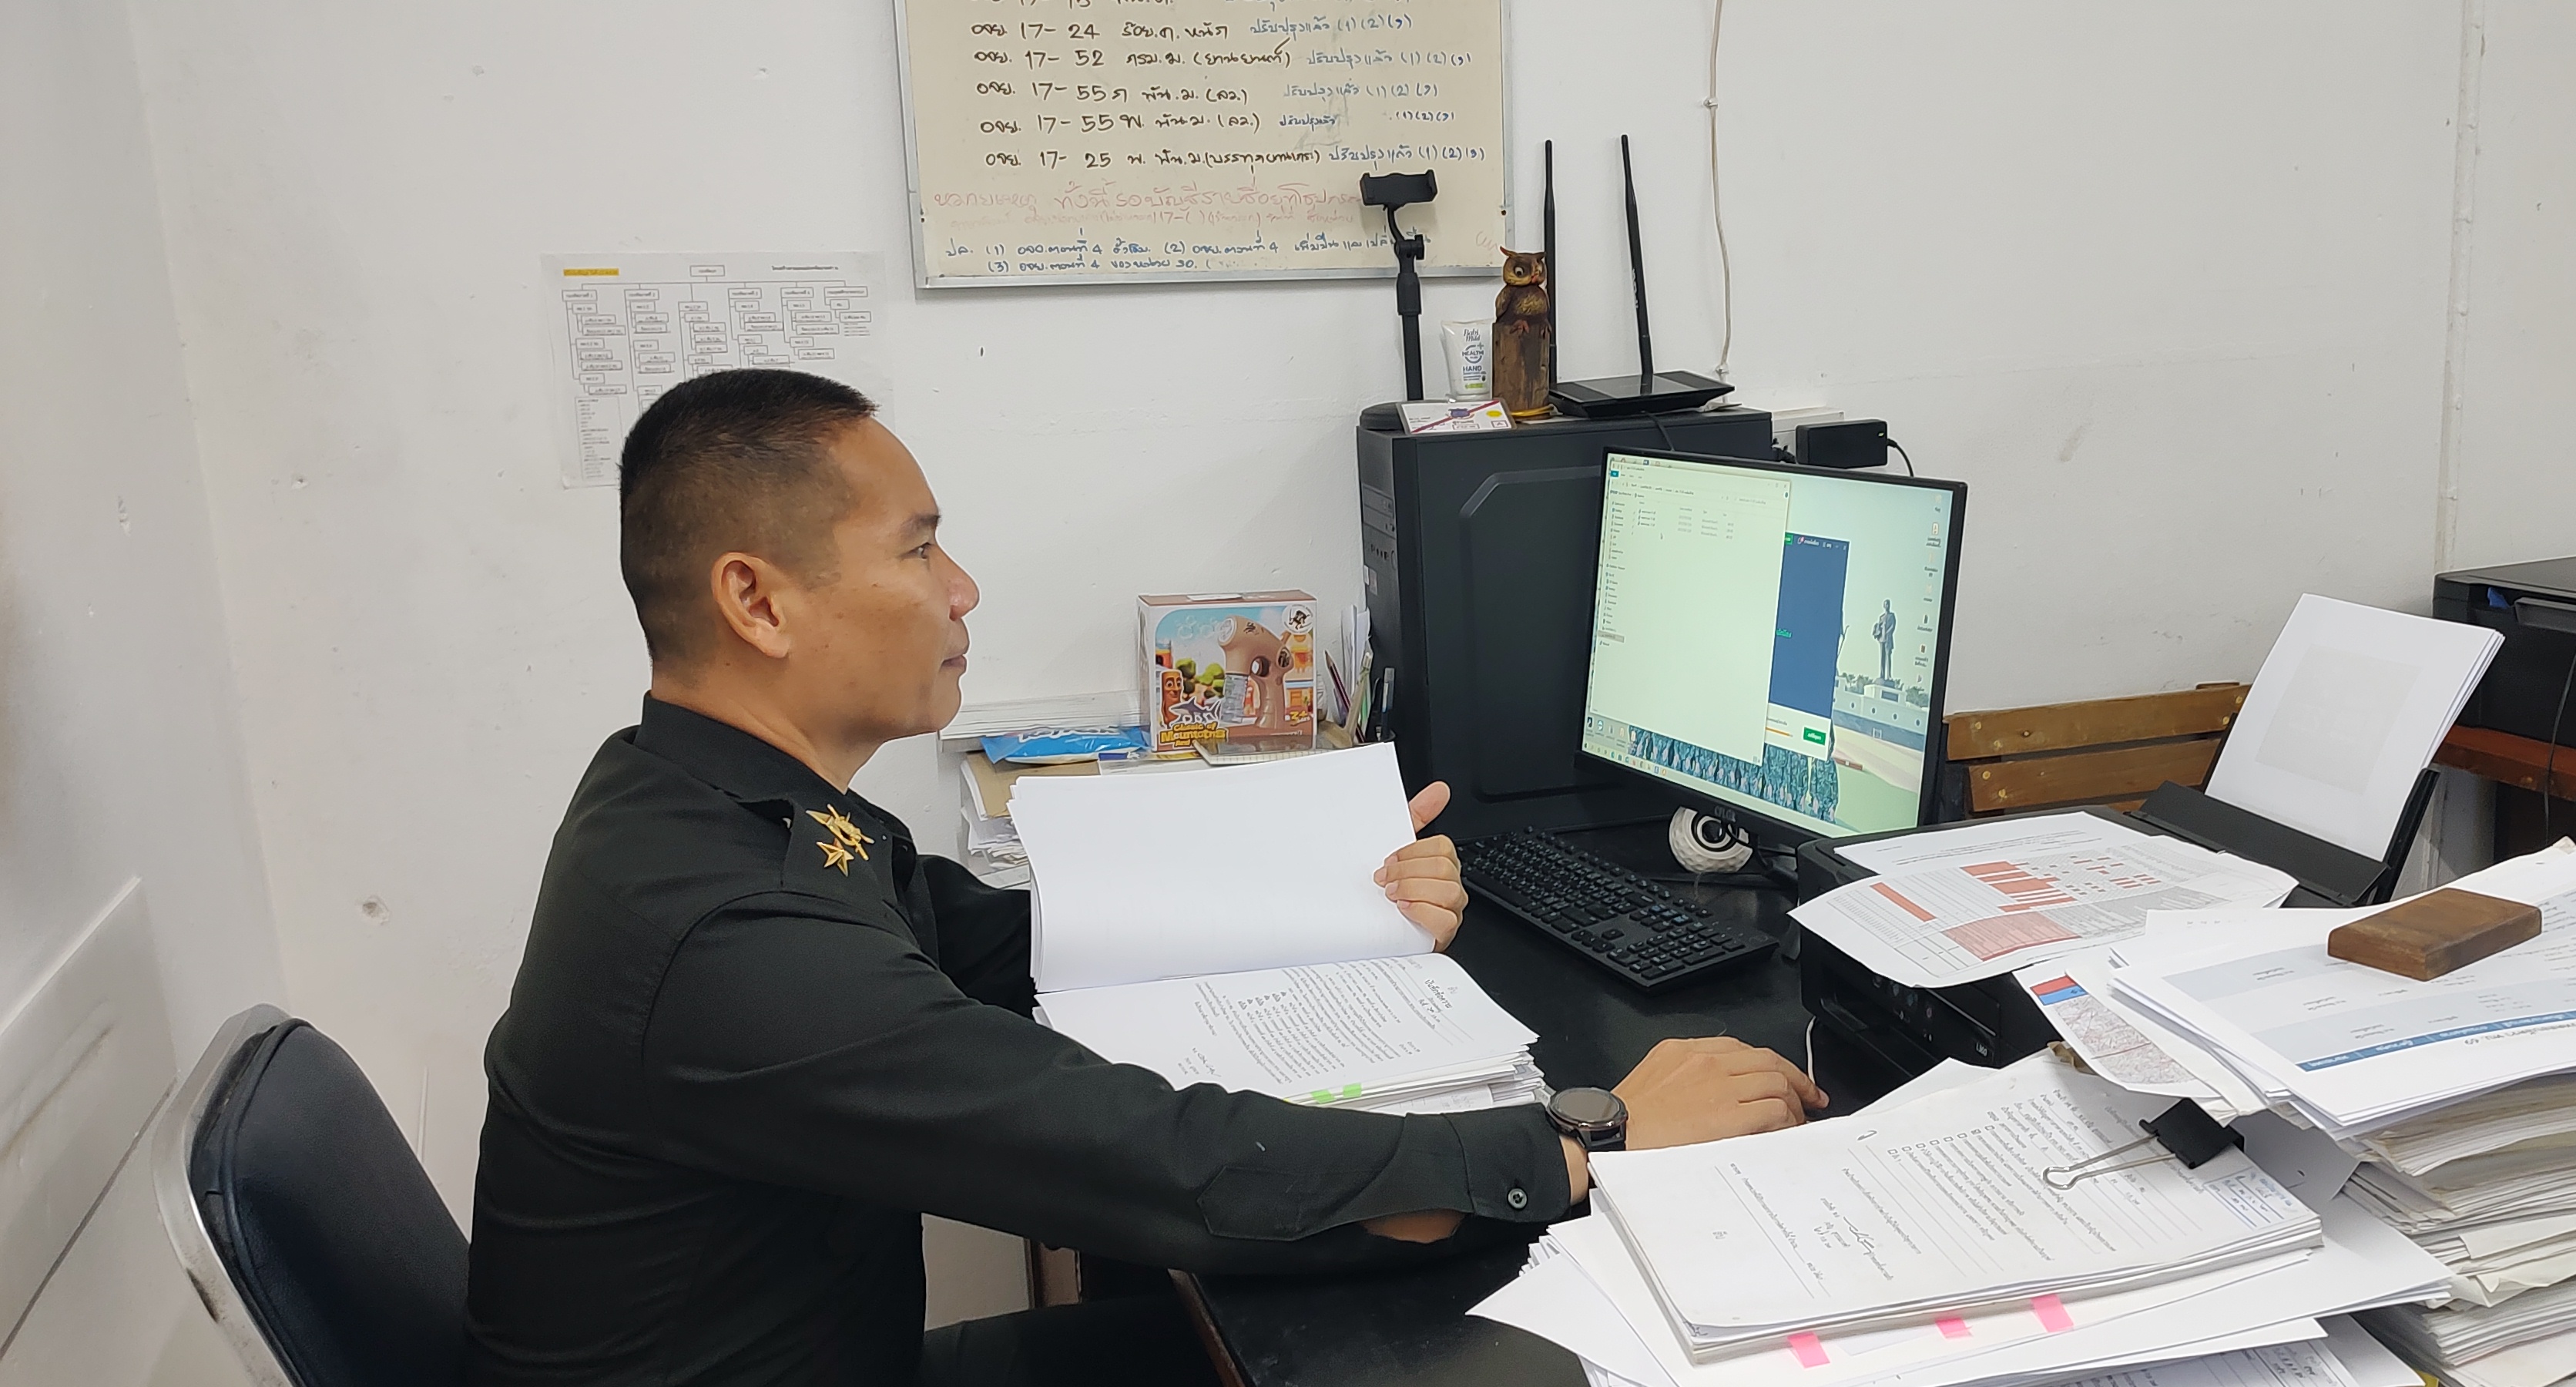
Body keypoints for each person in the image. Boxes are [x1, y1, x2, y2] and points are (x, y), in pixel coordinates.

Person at [463, 369, 1826, 1387]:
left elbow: (1000, 939)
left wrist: (1332, 892)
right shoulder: (727, 934)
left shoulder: (697, 797)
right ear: (757, 601)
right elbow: (1150, 1162)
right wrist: (1590, 1138)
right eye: (919, 547)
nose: (963, 589)